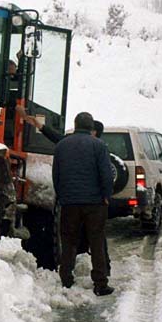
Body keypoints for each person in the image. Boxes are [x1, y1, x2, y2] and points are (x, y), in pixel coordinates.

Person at [52, 112, 114, 296]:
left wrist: (62, 196)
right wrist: (106, 195)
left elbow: (57, 174)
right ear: (91, 127)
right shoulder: (99, 145)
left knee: (69, 239)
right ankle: (100, 283)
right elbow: (106, 174)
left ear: (76, 124)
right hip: (95, 203)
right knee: (96, 241)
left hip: (69, 202)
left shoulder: (62, 145)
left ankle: (66, 278)